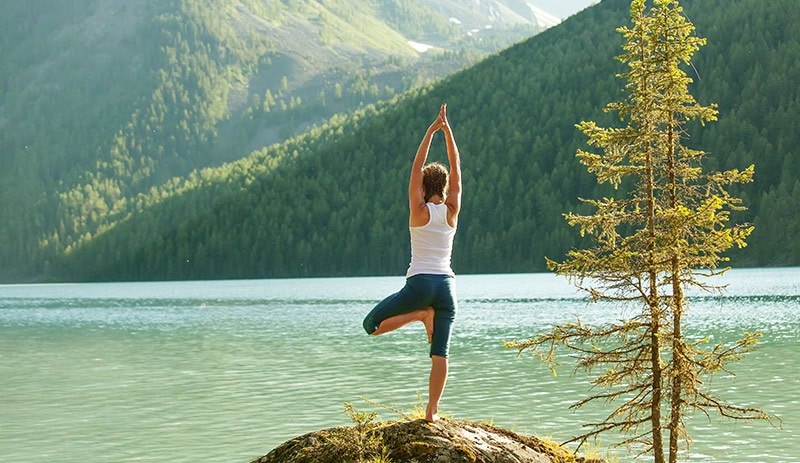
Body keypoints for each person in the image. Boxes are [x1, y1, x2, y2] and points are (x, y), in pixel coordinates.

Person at [362, 104, 461, 423]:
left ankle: (420, 316)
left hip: (419, 286)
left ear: (422, 186)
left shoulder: (417, 210)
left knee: (371, 326)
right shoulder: (451, 211)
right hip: (446, 288)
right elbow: (457, 168)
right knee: (440, 353)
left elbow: (416, 168)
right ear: (444, 188)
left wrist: (431, 131)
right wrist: (449, 134)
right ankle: (432, 412)